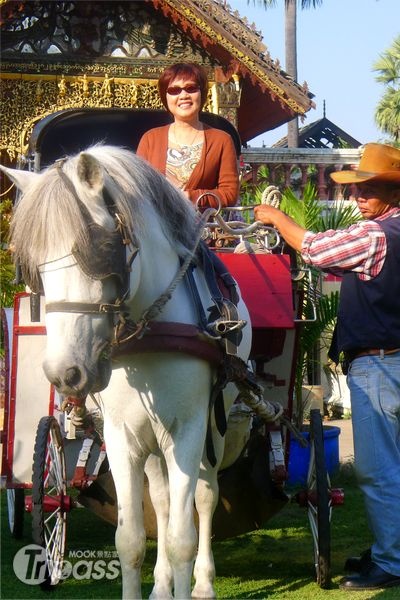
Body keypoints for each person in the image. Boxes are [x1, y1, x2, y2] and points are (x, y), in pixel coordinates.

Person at [254, 142, 400, 591]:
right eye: (356, 188)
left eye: (367, 189)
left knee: (378, 471)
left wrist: (275, 217)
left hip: (379, 365)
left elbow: (314, 248)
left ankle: (392, 563)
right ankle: (387, 551)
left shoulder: (377, 235)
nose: (357, 197)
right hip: (388, 360)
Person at [136, 62, 239, 208]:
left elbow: (230, 193)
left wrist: (193, 197)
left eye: (191, 88)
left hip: (202, 227)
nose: (183, 95)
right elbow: (138, 188)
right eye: (174, 90)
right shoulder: (150, 139)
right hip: (157, 227)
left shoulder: (221, 140)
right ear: (165, 97)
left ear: (201, 94)